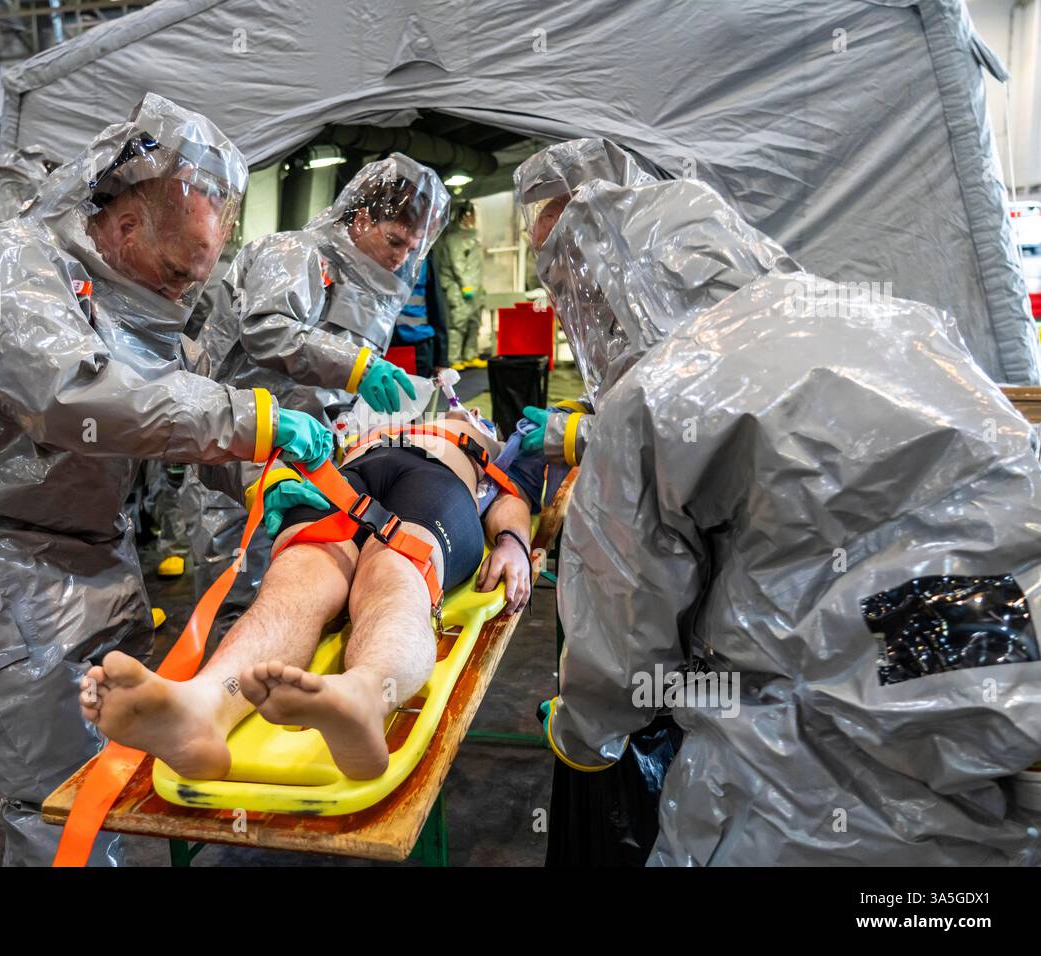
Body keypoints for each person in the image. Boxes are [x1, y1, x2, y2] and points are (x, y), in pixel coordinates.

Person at [0, 93, 332, 867]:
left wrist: (259, 480)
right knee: (59, 787)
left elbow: (179, 406)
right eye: (178, 272)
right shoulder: (9, 265)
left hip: (88, 546)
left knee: (126, 749)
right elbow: (69, 395)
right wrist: (252, 423)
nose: (183, 293)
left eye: (196, 281)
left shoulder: (145, 300)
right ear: (127, 223)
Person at [536, 169, 1041, 865]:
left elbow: (623, 633)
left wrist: (582, 735)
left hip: (802, 798)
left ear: (612, 297)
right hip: (1004, 679)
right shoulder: (899, 323)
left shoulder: (658, 390)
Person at [80, 411, 537, 782]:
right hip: (346, 478)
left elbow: (510, 497)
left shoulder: (481, 439)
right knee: (298, 575)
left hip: (433, 481)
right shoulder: (378, 423)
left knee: (395, 569)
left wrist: (513, 541)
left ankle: (365, 694)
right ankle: (200, 708)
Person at [185, 155, 450, 635]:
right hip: (239, 449)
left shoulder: (370, 284)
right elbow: (265, 330)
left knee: (299, 591)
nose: (400, 258)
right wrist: (358, 366)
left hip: (308, 457)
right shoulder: (296, 254)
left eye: (411, 248)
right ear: (364, 217)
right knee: (240, 591)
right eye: (394, 240)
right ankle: (222, 697)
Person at [512, 138, 660, 469]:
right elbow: (626, 395)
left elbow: (673, 431)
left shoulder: (652, 313)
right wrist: (584, 409)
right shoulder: (606, 309)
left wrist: (576, 434)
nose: (551, 279)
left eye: (556, 258)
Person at [434, 199, 487, 370]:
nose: (472, 219)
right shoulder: (456, 238)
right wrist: (466, 286)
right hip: (460, 288)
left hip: (474, 287)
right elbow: (458, 264)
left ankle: (470, 355)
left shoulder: (471, 237)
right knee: (457, 323)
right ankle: (454, 358)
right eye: (470, 215)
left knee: (473, 322)